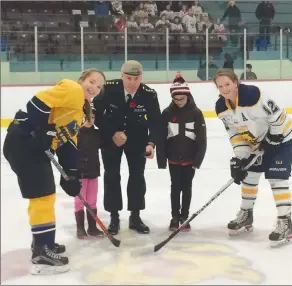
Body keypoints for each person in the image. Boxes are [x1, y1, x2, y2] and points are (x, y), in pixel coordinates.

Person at [3, 68, 106, 274]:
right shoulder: (72, 89)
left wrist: (72, 174)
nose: (94, 87)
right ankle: (42, 251)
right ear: (82, 79)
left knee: (45, 195)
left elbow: (68, 146)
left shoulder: (78, 112)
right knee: (42, 196)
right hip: (23, 142)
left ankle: (42, 243)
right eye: (92, 81)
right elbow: (36, 103)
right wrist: (39, 131)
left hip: (32, 146)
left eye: (99, 86)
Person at [213, 68, 292, 247]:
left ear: (235, 82)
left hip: (282, 137)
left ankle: (285, 221)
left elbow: (277, 115)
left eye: (227, 84)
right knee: (249, 175)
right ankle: (246, 214)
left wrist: (273, 137)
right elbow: (235, 134)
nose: (225, 89)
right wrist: (241, 158)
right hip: (257, 142)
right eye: (220, 86)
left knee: (276, 176)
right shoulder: (221, 108)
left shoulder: (253, 95)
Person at [93, 60, 161, 235]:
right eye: (128, 78)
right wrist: (111, 133)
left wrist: (151, 143)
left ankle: (135, 216)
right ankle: (114, 217)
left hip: (138, 140)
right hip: (111, 139)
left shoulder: (149, 94)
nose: (132, 82)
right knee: (111, 175)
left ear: (141, 77)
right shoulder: (108, 89)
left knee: (137, 177)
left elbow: (155, 122)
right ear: (122, 76)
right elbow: (96, 115)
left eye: (136, 78)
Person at [156, 73, 207, 231]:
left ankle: (185, 216)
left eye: (182, 99)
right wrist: (161, 160)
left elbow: (202, 140)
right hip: (173, 159)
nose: (179, 102)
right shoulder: (167, 113)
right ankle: (175, 217)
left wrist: (197, 161)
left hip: (190, 159)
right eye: (175, 99)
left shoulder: (196, 113)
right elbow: (161, 138)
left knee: (187, 187)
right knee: (175, 187)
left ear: (187, 95)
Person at [75, 108, 104, 239]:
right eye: (87, 117)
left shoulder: (97, 133)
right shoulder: (76, 133)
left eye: (92, 117)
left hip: (93, 171)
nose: (90, 120)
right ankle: (80, 228)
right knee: (79, 201)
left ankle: (92, 227)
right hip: (80, 173)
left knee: (92, 201)